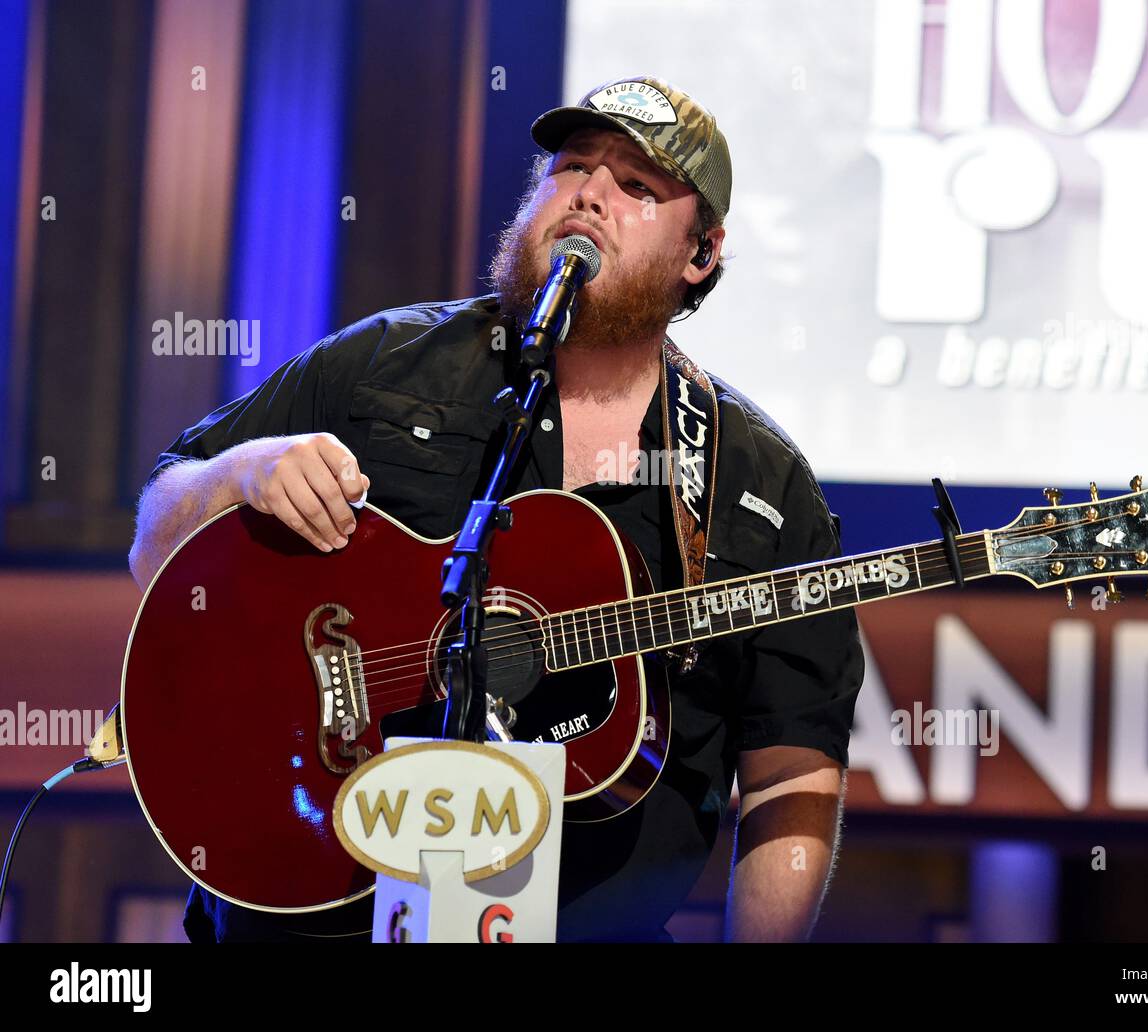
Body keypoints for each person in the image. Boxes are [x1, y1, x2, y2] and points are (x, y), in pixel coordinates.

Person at [128, 75, 865, 943]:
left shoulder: (758, 482)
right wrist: (243, 475)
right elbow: (155, 538)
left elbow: (788, 775)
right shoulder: (384, 363)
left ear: (700, 252)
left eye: (636, 186)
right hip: (304, 912)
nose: (590, 192)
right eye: (572, 166)